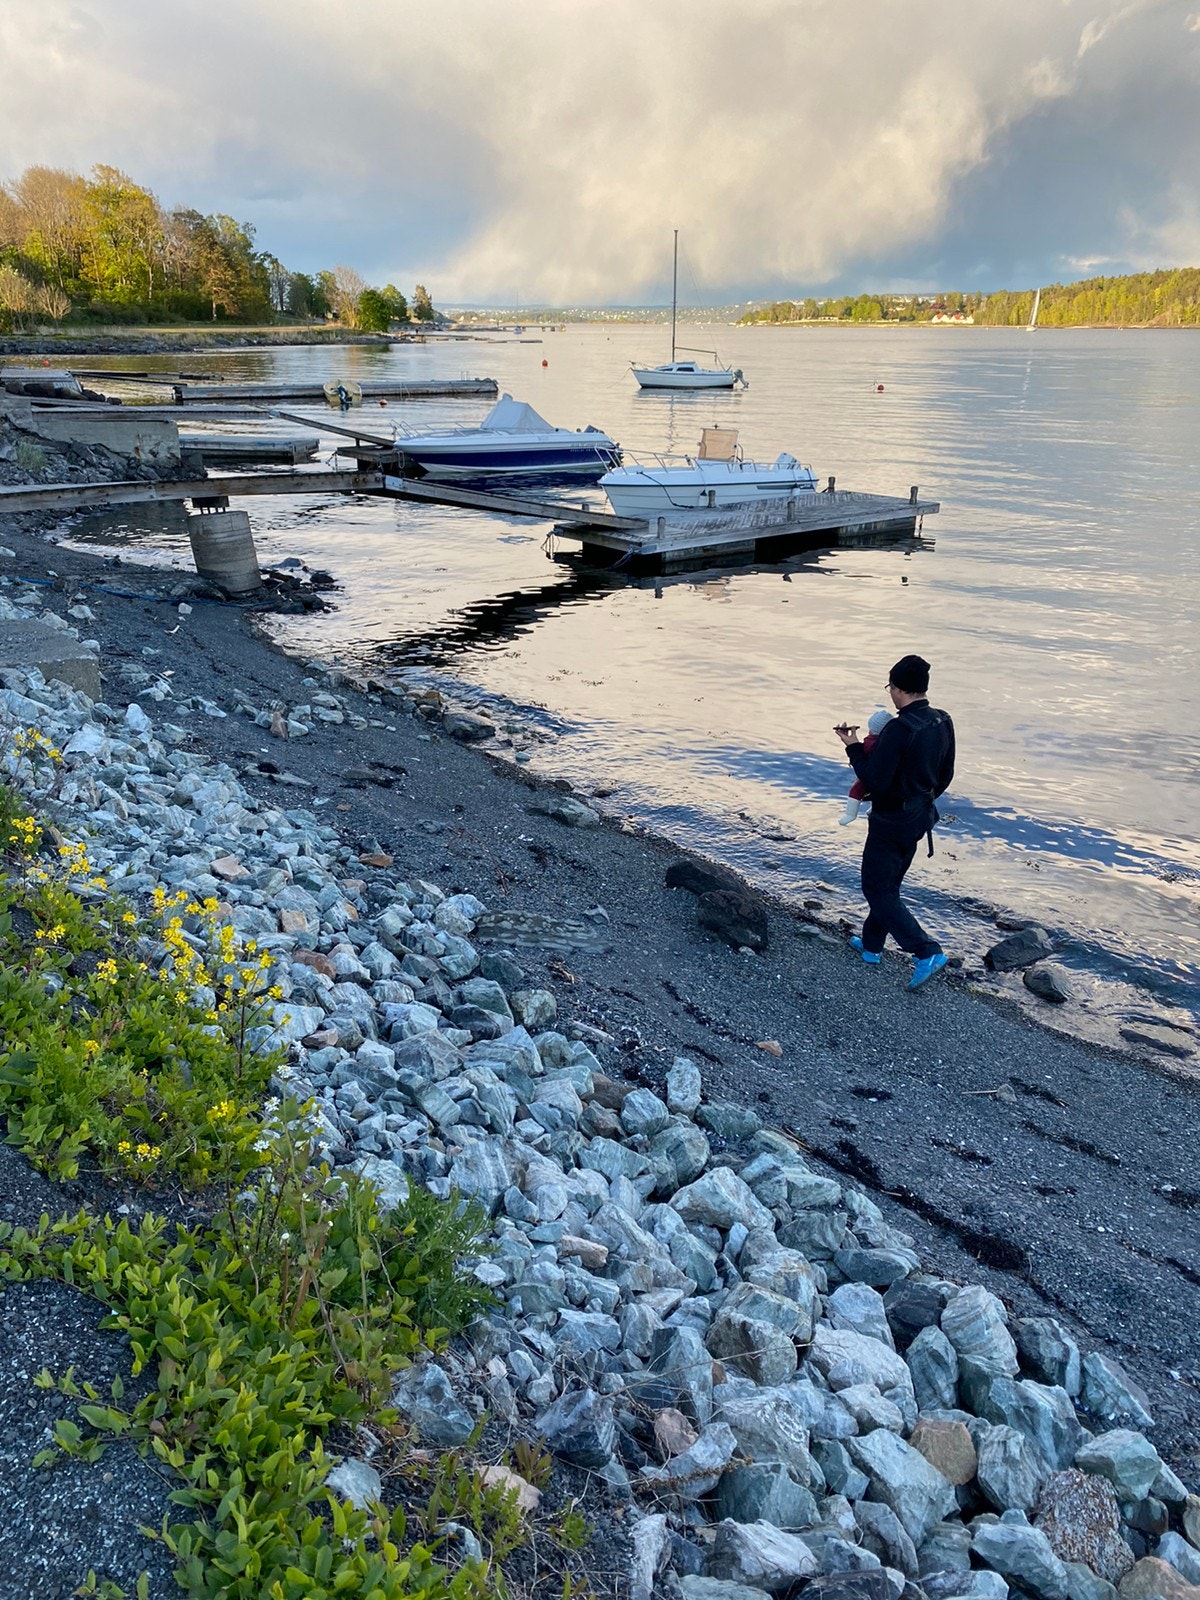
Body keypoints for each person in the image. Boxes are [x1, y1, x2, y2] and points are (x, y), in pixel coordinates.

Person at [834, 654, 956, 989]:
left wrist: (854, 747)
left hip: (892, 819)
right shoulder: (942, 720)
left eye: (890, 686)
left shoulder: (899, 729)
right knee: (889, 885)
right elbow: (946, 775)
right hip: (921, 815)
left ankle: (925, 951)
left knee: (875, 888)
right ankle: (872, 946)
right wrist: (920, 796)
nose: (890, 692)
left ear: (899, 689)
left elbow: (873, 779)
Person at [839, 709, 893, 824]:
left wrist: (854, 746)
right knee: (879, 792)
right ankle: (873, 809)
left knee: (856, 790)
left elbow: (864, 752)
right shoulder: (890, 742)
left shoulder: (871, 741)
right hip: (885, 777)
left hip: (869, 772)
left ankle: (850, 814)